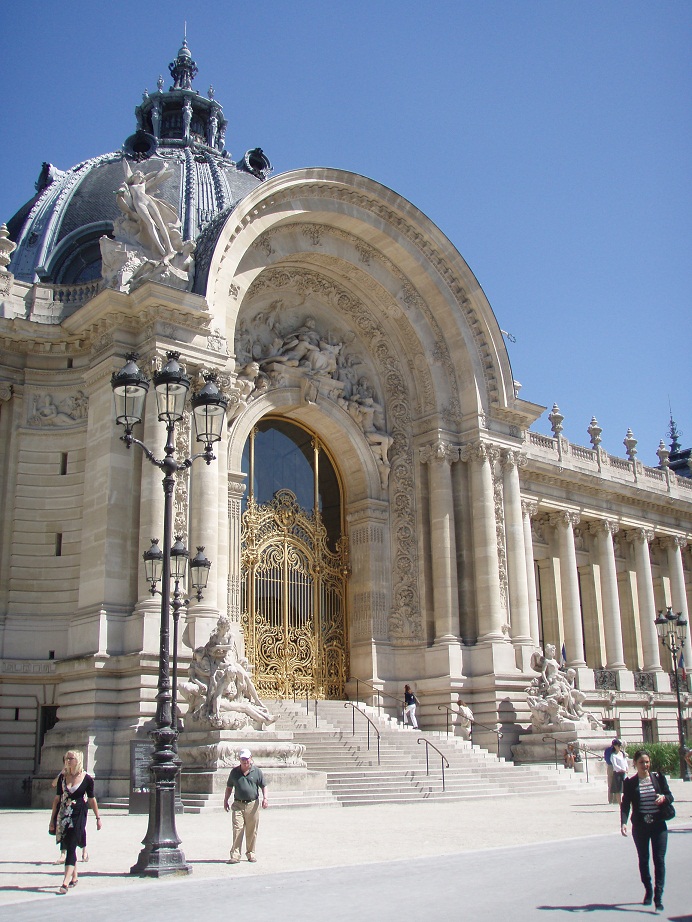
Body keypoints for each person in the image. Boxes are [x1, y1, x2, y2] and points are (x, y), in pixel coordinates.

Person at [621, 749, 674, 912]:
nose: (645, 765)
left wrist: (664, 798)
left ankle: (658, 896)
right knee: (644, 859)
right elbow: (625, 804)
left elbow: (670, 796)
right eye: (641, 762)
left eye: (647, 762)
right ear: (635, 764)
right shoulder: (630, 783)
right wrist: (623, 822)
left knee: (659, 859)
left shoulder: (658, 778)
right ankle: (648, 889)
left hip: (658, 825)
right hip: (641, 826)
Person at [48, 750, 102, 893]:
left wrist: (98, 818)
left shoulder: (87, 778)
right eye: (66, 758)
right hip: (64, 814)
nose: (68, 761)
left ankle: (65, 883)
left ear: (78, 760)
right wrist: (52, 820)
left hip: (79, 814)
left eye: (70, 758)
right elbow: (57, 799)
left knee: (71, 846)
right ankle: (74, 877)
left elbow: (91, 799)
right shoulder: (62, 777)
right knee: (68, 844)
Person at [223, 749, 268, 864]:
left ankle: (251, 853)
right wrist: (226, 800)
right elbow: (229, 787)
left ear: (251, 758)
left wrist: (265, 798)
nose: (245, 761)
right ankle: (235, 855)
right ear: (239, 759)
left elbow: (263, 786)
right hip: (238, 804)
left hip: (252, 804)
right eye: (243, 759)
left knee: (251, 830)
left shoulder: (257, 772)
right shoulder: (234, 772)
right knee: (237, 828)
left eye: (247, 759)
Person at [604, 737, 622, 804]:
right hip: (615, 767)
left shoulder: (607, 750)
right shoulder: (615, 751)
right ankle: (615, 800)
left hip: (609, 766)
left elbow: (605, 758)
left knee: (610, 784)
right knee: (616, 784)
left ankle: (610, 799)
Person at [610, 740, 628, 805]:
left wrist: (626, 768)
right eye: (618, 746)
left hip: (624, 773)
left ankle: (626, 802)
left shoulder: (622, 753)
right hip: (618, 773)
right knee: (618, 790)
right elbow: (615, 765)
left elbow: (625, 761)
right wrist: (622, 769)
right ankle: (620, 804)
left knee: (626, 788)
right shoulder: (613, 755)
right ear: (615, 746)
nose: (620, 747)